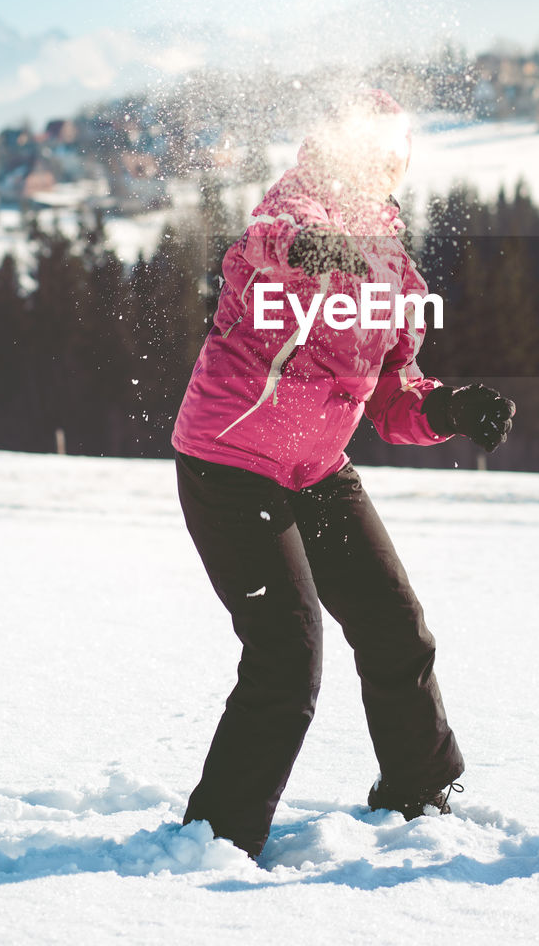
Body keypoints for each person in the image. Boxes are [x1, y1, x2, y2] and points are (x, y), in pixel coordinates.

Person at [171, 87, 515, 860]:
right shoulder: (286, 217)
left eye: (394, 157)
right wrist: (310, 256)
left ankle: (418, 796)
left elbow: (395, 394)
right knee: (287, 656)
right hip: (230, 466)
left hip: (316, 468)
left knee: (396, 626)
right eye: (372, 153)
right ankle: (215, 838)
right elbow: (267, 252)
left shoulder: (393, 263)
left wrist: (449, 407)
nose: (385, 169)